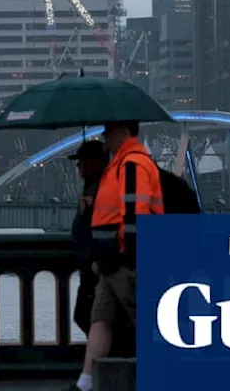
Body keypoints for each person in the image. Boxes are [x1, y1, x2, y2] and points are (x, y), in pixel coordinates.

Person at [68, 121, 163, 391]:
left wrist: (132, 257)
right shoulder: (120, 164)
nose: (104, 137)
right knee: (100, 319)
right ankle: (86, 382)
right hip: (110, 260)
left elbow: (135, 215)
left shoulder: (133, 163)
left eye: (108, 132)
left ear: (123, 132)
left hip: (123, 259)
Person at [67, 140, 136, 356]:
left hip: (102, 266)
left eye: (81, 162)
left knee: (94, 317)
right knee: (99, 318)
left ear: (95, 163)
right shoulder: (93, 189)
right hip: (96, 266)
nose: (78, 167)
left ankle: (112, 367)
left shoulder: (105, 189)